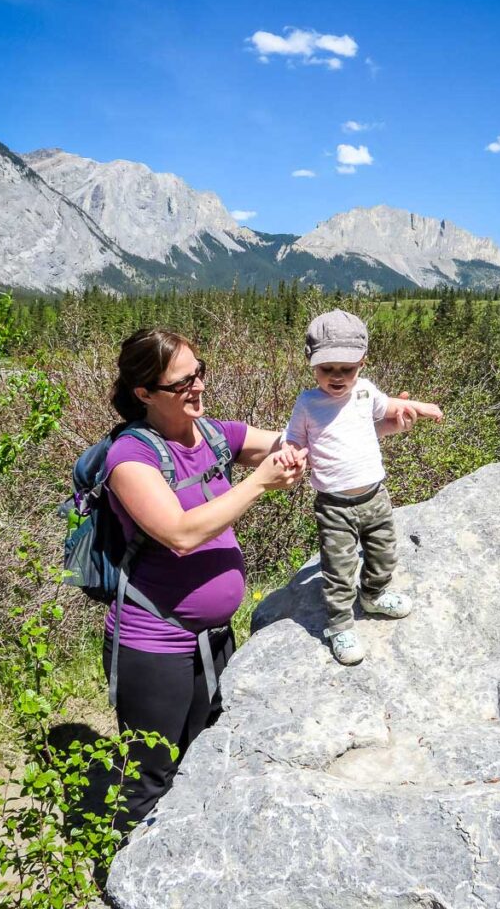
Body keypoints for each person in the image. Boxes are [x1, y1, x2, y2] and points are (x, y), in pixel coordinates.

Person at [102, 328, 306, 827]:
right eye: (182, 383)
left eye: (199, 373)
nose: (198, 387)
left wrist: (374, 415)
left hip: (213, 638)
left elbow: (298, 442)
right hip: (152, 640)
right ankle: (124, 876)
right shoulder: (130, 458)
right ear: (144, 394)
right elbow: (179, 533)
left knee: (205, 754)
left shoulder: (214, 434)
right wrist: (259, 481)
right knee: (150, 773)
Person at [280, 310, 443, 666]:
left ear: (362, 364)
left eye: (347, 369)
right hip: (334, 504)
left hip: (376, 496)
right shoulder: (307, 403)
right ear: (312, 365)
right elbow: (292, 438)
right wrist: (291, 453)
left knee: (384, 552)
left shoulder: (366, 392)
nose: (337, 377)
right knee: (338, 568)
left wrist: (417, 409)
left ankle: (373, 593)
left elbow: (391, 409)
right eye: (328, 369)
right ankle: (339, 625)